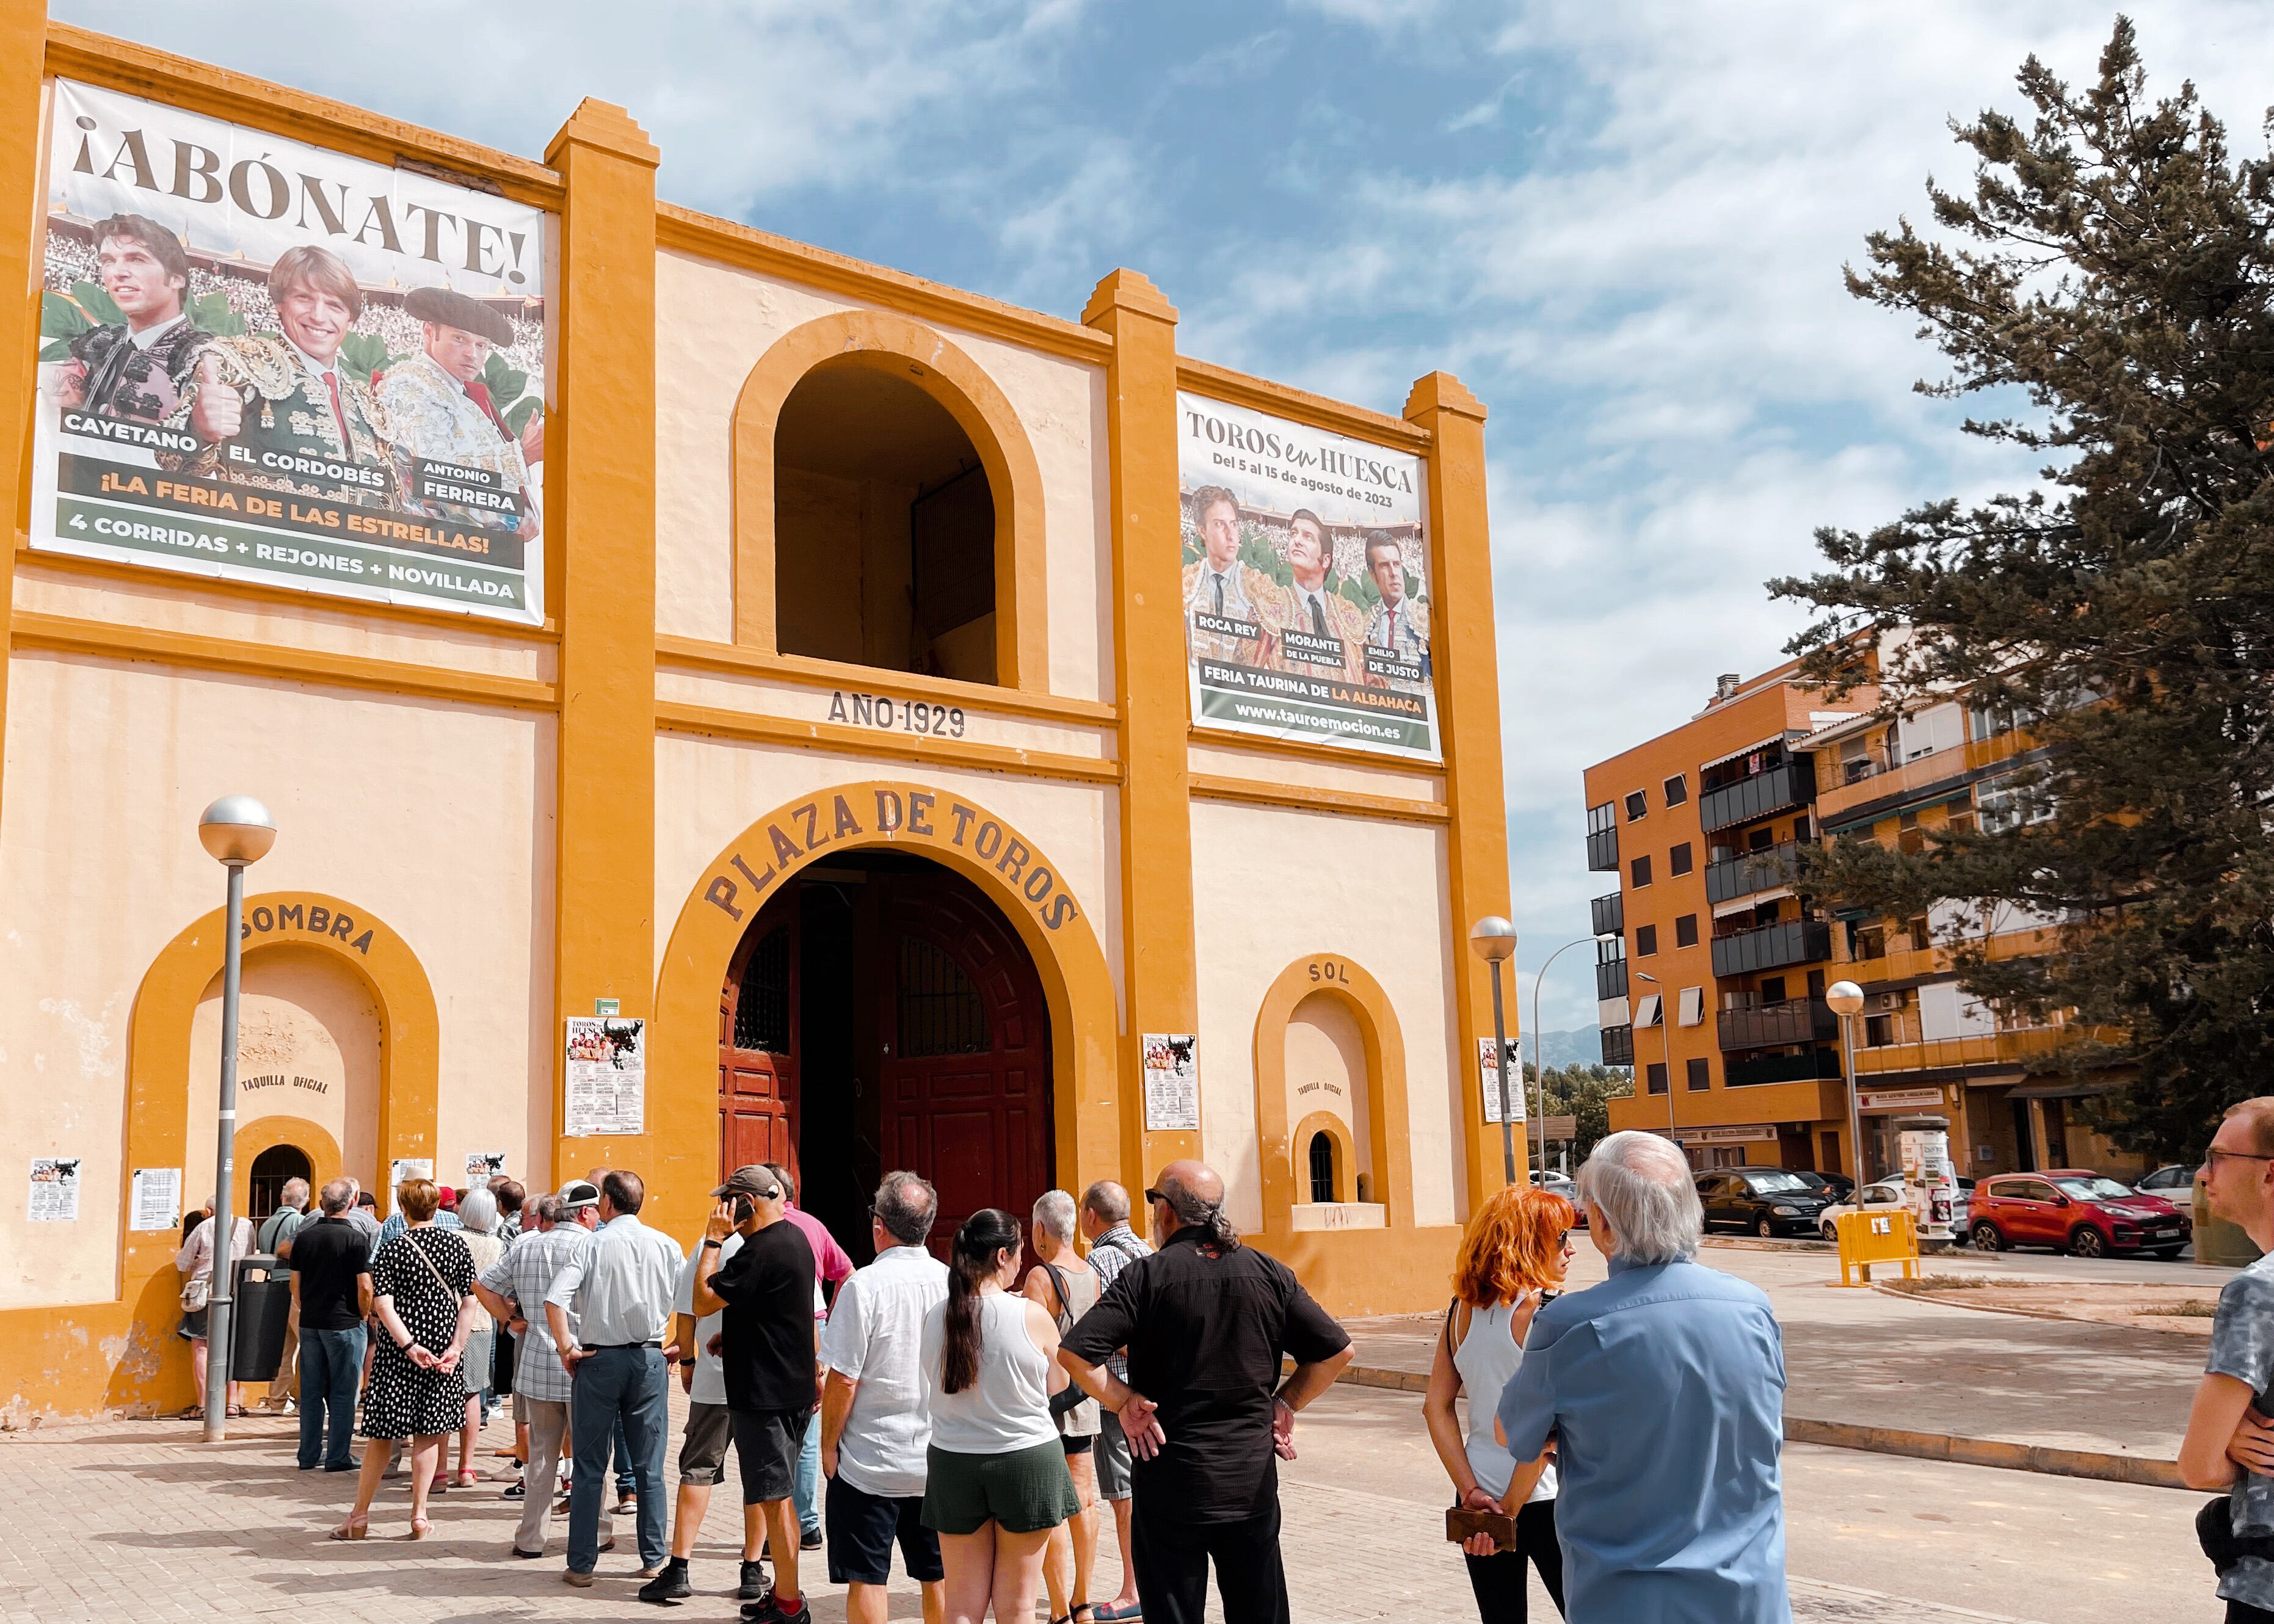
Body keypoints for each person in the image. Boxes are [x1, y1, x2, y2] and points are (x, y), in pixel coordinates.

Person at [1495, 1131, 1789, 1623]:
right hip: (1749, 1599)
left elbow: (1511, 1434)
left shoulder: (1570, 1325)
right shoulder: (1752, 1307)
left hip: (1627, 1600)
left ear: (1605, 1225)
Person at [1059, 1162, 1352, 1624]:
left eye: (1155, 1202)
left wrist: (1124, 1402)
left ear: (1168, 1212)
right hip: (1248, 1485)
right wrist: (1285, 1402)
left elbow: (1075, 1354)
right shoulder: (1267, 1272)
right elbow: (1338, 1352)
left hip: (1170, 1484)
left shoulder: (1147, 1277)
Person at [923, 1209, 1081, 1624]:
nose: (1022, 1260)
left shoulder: (936, 1316)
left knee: (959, 1607)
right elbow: (1060, 1383)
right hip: (1026, 1459)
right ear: (1001, 1256)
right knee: (1018, 1607)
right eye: (1019, 1251)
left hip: (954, 1461)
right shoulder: (1029, 1315)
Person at [1423, 1184, 1572, 1622]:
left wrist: (1471, 1492)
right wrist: (1508, 1508)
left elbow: (1436, 1407)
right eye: (1562, 1237)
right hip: (1547, 1498)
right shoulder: (1549, 1313)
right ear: (1530, 1242)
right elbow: (1549, 1433)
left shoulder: (1459, 1310)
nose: (1571, 1249)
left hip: (1478, 1493)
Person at [818, 1172, 951, 1624]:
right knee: (939, 1573)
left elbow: (844, 1379)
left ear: (879, 1226)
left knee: (868, 1577)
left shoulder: (864, 1286)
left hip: (870, 1461)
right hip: (938, 1457)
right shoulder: (953, 1283)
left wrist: (828, 1444)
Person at [688, 1166, 818, 1624]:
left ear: (750, 1200)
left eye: (731, 1199)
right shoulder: (794, 1238)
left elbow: (702, 1300)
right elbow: (780, 1309)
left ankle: (789, 1603)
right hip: (789, 1386)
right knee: (773, 1493)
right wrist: (738, 1333)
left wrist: (713, 1240)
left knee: (775, 1497)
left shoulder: (758, 1249)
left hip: (765, 1395)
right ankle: (784, 1591)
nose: (724, 1209)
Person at [173, 244, 395, 507]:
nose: (319, 316)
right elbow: (170, 462)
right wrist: (199, 431)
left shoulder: (366, 402)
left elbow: (389, 499)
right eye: (304, 298)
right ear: (280, 303)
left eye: (335, 305)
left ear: (350, 320)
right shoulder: (237, 362)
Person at [546, 1170, 684, 1587]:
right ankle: (654, 1558)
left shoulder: (593, 1244)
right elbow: (695, 1299)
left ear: (607, 1203)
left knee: (590, 1465)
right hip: (648, 1358)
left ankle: (583, 1564)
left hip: (599, 1359)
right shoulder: (666, 1244)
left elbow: (556, 1300)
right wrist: (680, 1344)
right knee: (650, 1466)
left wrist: (566, 1347)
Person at [642, 1179, 769, 1606]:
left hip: (716, 1381)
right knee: (759, 1475)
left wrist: (692, 1360)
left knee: (697, 1469)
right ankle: (753, 1568)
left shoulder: (709, 1247)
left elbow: (687, 1307)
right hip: (763, 1384)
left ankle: (679, 1566)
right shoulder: (784, 1246)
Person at [331, 1178, 478, 1542]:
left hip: (400, 1354)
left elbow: (383, 1305)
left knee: (381, 1438)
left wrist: (409, 1346)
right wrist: (456, 1347)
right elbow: (470, 1301)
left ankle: (360, 1516)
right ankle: (419, 1515)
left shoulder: (393, 1248)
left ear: (402, 1206)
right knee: (429, 1436)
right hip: (444, 1352)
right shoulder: (457, 1245)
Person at [2179, 1097, 2274, 1620]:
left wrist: (2231, 1447)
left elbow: (2199, 1466)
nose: (2201, 1173)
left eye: (2217, 1157)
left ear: (2269, 1175)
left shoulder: (2258, 1292)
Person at [476, 1186, 599, 1560]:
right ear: (584, 1213)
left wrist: (512, 1320)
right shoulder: (593, 1246)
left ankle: (531, 1537)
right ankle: (598, 1530)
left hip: (537, 1362)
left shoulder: (527, 1244)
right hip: (584, 1359)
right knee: (590, 1456)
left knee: (543, 1456)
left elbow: (482, 1285)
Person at [377, 284, 542, 538]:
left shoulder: (456, 392)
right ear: (429, 332)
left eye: (481, 345)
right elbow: (432, 473)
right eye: (459, 339)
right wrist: (522, 455)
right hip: (434, 546)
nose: (472, 354)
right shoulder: (409, 384)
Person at [763, 1160, 854, 1551]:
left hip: (775, 1329)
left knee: (774, 1429)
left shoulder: (764, 1226)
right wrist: (832, 1317)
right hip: (816, 1327)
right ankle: (809, 1523)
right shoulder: (813, 1225)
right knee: (808, 1428)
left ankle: (776, 1530)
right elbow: (846, 1271)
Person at [52, 212, 209, 428]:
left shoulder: (206, 356)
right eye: (108, 260)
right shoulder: (100, 342)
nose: (118, 272)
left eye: (136, 259)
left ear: (176, 278)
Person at [1024, 1192, 1102, 1624]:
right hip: (1085, 1400)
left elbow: (1032, 1344)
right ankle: (1083, 1600)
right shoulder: (1092, 1274)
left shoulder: (1041, 1277)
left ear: (1040, 1230)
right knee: (1084, 1501)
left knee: (1054, 1505)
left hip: (1049, 1404)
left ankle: (1057, 1610)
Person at [1077, 1182, 1149, 1623]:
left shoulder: (1099, 1261)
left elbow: (1109, 1331)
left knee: (1124, 1497)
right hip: (1157, 1394)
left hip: (1118, 1399)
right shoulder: (1152, 1251)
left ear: (1090, 1217)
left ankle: (1133, 1589)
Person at [290, 1178, 374, 1473]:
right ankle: (338, 1455)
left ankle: (309, 1454)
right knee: (344, 1392)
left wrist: (307, 1308)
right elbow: (364, 1286)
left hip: (311, 1322)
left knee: (311, 1392)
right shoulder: (355, 1239)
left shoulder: (305, 1238)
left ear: (322, 1204)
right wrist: (364, 1315)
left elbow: (295, 1284)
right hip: (345, 1322)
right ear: (351, 1203)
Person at [1181, 485, 1285, 668]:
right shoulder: (1186, 583)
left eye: (1234, 524)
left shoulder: (1261, 588)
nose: (1231, 535)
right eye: (1220, 524)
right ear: (1202, 531)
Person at [445, 1187, 507, 1488]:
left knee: (442, 1395)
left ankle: (440, 1469)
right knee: (472, 1395)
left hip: (448, 1323)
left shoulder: (451, 1240)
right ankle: (467, 1467)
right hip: (482, 1323)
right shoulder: (497, 1245)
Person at [175, 1197, 255, 1419]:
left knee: (201, 1345)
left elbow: (182, 1263)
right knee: (231, 1346)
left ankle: (203, 1404)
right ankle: (233, 1403)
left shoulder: (204, 1227)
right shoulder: (247, 1225)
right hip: (237, 1292)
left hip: (206, 1294)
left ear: (209, 1210)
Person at [1275, 510, 1365, 681]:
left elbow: (1371, 682)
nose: (1297, 540)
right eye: (1294, 533)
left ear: (1326, 560)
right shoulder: (1272, 605)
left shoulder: (1349, 615)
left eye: (1308, 537)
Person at [258, 1177, 312, 1415]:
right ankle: (309, 1399)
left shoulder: (267, 1223)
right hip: (294, 1289)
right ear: (307, 1201)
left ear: (282, 1197)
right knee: (310, 1345)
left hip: (271, 1288)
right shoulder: (302, 1222)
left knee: (283, 1349)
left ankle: (278, 1401)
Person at [1361, 533, 1430, 676]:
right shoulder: (1366, 623)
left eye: (1396, 564)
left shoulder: (1425, 617)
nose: (1394, 573)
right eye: (1385, 566)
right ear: (1372, 574)